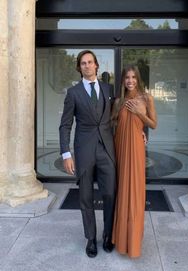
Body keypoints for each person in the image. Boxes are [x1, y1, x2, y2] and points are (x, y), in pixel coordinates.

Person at [59, 50, 116, 258]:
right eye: (83, 63)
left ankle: (108, 235)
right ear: (79, 67)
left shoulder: (108, 89)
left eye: (90, 62)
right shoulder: (73, 93)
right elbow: (65, 125)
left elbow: (116, 118)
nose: (87, 66)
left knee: (110, 194)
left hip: (107, 150)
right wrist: (66, 153)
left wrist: (139, 135)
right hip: (84, 151)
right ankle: (91, 238)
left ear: (96, 65)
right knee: (86, 197)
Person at [111, 65, 157, 258]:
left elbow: (153, 124)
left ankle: (134, 242)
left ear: (138, 79)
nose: (130, 81)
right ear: (122, 81)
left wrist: (139, 113)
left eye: (133, 77)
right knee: (122, 191)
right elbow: (112, 124)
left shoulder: (146, 98)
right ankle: (121, 240)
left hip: (136, 149)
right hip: (119, 147)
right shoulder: (119, 101)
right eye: (127, 78)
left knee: (135, 192)